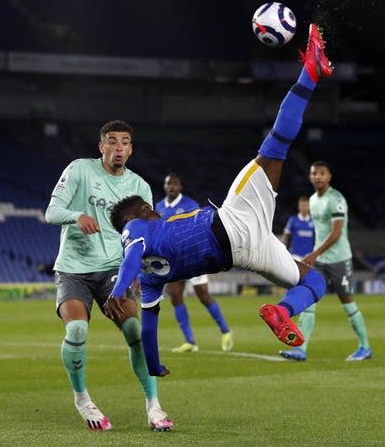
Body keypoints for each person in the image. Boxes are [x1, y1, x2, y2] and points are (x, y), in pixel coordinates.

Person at [104, 23, 332, 377]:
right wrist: (119, 290)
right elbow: (131, 251)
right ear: (141, 212)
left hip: (244, 254)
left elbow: (149, 325)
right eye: (148, 209)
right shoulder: (137, 226)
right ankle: (310, 75)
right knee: (275, 145)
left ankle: (284, 312)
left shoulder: (149, 282)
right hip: (232, 222)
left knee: (315, 281)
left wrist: (153, 365)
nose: (153, 210)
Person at [45, 120, 173, 431]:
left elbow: (148, 234)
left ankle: (154, 408)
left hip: (115, 270)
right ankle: (82, 399)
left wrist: (138, 270)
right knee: (76, 332)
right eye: (112, 141)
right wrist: (77, 215)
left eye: (125, 142)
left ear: (131, 149)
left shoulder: (140, 186)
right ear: (101, 146)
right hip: (74, 268)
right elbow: (51, 212)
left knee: (135, 333)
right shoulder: (79, 170)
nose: (118, 147)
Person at [280, 163, 372, 362]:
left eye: (322, 173)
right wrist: (315, 255)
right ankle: (300, 349)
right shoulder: (312, 200)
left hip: (339, 260)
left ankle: (365, 347)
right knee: (308, 302)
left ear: (329, 176)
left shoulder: (336, 199)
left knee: (347, 304)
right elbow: (320, 233)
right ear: (310, 176)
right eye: (314, 173)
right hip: (320, 261)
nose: (318, 177)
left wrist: (314, 253)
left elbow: (336, 233)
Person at [155, 173, 233, 353]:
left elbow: (200, 229)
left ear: (180, 186)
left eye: (174, 184)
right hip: (174, 259)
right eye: (168, 184)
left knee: (203, 296)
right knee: (175, 295)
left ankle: (225, 331)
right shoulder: (159, 207)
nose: (171, 187)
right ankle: (190, 341)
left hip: (193, 257)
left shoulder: (190, 205)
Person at [280, 196, 315, 260]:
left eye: (306, 205)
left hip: (309, 257)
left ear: (309, 207)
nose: (304, 208)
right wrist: (282, 251)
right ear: (298, 207)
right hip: (295, 256)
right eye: (302, 205)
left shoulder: (313, 221)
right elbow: (285, 236)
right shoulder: (293, 220)